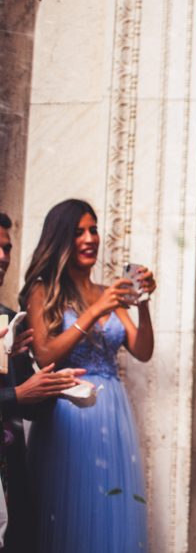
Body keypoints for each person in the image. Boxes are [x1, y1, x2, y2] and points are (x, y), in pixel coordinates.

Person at [20, 200, 156, 552]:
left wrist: (141, 302)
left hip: (113, 418)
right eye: (79, 231)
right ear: (61, 238)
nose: (89, 238)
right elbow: (45, 353)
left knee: (110, 512)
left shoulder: (106, 291)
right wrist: (97, 310)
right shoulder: (43, 290)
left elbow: (142, 350)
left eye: (93, 229)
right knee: (69, 513)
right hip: (69, 416)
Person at [0, 212, 87, 552]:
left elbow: (31, 409)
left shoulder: (8, 317)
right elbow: (18, 396)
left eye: (7, 248)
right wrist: (20, 394)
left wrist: (54, 385)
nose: (4, 257)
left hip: (10, 472)